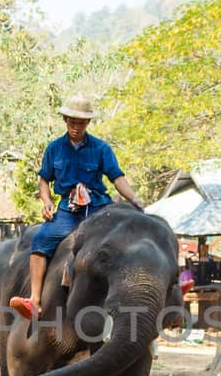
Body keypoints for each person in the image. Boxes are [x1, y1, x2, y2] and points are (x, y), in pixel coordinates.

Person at [9, 95, 144, 320]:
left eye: (81, 123)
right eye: (72, 121)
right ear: (64, 119)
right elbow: (44, 180)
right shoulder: (54, 149)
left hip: (99, 207)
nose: (76, 126)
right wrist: (47, 201)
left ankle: (146, 294)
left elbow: (117, 177)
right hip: (68, 211)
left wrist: (135, 199)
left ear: (88, 123)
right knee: (40, 240)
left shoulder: (101, 148)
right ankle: (34, 300)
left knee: (127, 238)